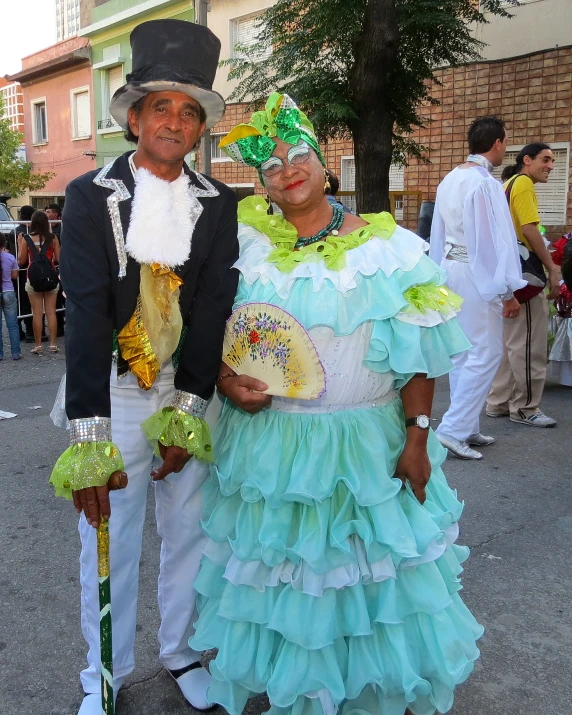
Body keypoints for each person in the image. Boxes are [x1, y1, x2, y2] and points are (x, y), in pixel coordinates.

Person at [189, 93, 482, 715]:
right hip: (271, 444)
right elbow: (208, 329)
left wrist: (418, 437)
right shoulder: (246, 249)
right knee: (285, 576)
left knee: (365, 577)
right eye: (271, 165)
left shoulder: (391, 249)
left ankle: (363, 694)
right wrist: (222, 378)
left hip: (365, 446)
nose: (287, 170)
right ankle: (303, 692)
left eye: (299, 156)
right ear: (262, 183)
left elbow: (417, 358)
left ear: (327, 165)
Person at [48, 20, 237, 715]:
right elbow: (89, 313)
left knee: (190, 525)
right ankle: (104, 673)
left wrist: (186, 415)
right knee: (107, 528)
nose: (175, 122)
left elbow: (214, 306)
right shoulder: (87, 196)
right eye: (162, 106)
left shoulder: (219, 205)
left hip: (183, 386)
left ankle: (182, 651)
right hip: (116, 389)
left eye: (190, 111)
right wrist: (89, 435)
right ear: (134, 115)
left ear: (198, 129)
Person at [428, 117, 524, 459]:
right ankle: (453, 428)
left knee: (462, 351)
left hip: (451, 266)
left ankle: (465, 425)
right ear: (497, 143)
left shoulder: (451, 178)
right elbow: (492, 240)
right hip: (474, 271)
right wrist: (507, 289)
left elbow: (437, 231)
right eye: (505, 142)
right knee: (486, 352)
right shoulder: (483, 183)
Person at [487, 143, 560, 427]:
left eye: (553, 160)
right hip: (524, 277)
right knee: (529, 344)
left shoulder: (506, 184)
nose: (550, 165)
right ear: (526, 160)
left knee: (510, 344)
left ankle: (499, 402)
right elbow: (529, 228)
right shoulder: (524, 184)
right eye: (545, 159)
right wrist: (552, 268)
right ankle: (526, 408)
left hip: (505, 275)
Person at [17, 210, 60, 355]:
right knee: (51, 312)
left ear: (33, 223)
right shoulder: (53, 238)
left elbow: (21, 261)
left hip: (33, 278)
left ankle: (38, 345)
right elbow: (57, 260)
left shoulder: (26, 238)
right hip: (50, 278)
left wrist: (19, 243)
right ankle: (53, 344)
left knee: (36, 313)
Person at [0, 232, 22, 360]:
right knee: (12, 324)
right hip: (8, 291)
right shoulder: (10, 257)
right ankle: (15, 353)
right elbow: (14, 276)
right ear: (4, 243)